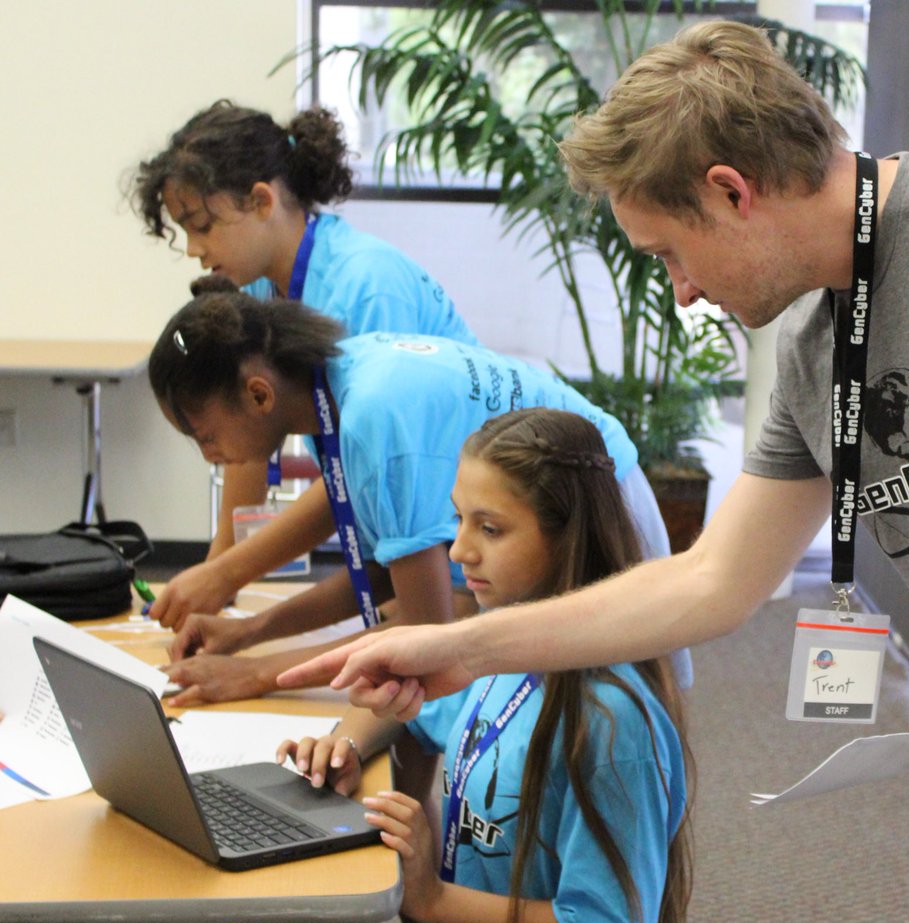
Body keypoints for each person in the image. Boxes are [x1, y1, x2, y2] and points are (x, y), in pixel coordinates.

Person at [279, 20, 909, 923]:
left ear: (730, 189)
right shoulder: (814, 346)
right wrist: (455, 648)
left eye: (670, 252)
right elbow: (714, 580)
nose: (680, 294)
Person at [279, 408, 692, 923]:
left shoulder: (612, 723)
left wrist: (433, 899)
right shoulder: (496, 660)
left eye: (490, 529)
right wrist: (343, 746)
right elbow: (408, 710)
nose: (457, 551)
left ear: (566, 535)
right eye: (459, 520)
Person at [149, 277, 686, 705]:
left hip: (593, 509)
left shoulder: (370, 414)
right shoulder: (335, 385)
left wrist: (256, 674)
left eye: (205, 435)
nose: (208, 455)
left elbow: (428, 632)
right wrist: (246, 634)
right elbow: (385, 571)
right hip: (564, 506)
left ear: (259, 394)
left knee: (606, 719)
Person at [130, 100, 476, 627]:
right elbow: (245, 442)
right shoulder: (265, 289)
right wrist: (212, 577)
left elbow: (363, 464)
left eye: (202, 225)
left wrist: (228, 576)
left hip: (458, 546)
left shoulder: (366, 286)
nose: (196, 251)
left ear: (262, 200)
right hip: (410, 541)